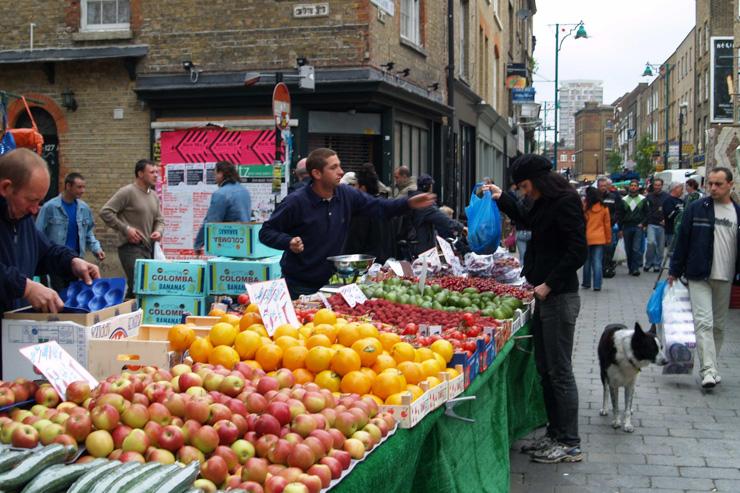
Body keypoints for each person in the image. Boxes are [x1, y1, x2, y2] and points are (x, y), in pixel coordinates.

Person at [483, 154, 586, 464]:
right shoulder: (543, 201)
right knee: (545, 369)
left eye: (525, 186)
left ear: (538, 180)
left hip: (559, 297)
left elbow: (577, 250)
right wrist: (504, 199)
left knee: (559, 372)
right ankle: (554, 433)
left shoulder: (565, 201)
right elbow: (527, 220)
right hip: (542, 296)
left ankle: (569, 442)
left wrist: (549, 284)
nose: (524, 192)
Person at [259, 148, 436, 299]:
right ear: (317, 173)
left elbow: (378, 206)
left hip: (333, 284)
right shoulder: (295, 202)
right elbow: (266, 232)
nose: (341, 172)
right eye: (334, 167)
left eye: (340, 165)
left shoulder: (345, 194)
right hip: (299, 286)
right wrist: (288, 242)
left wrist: (408, 203)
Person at [0, 149, 100, 326]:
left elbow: (46, 251)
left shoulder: (22, 219)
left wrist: (72, 262)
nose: (35, 209)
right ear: (6, 188)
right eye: (31, 200)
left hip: (14, 331)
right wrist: (26, 287)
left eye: (39, 201)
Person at [669, 167, 739, 389]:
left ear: (730, 184)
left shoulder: (737, 212)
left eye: (718, 184)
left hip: (725, 276)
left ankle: (712, 366)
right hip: (699, 274)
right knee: (704, 322)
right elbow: (683, 240)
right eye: (710, 183)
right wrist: (674, 270)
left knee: (718, 326)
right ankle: (707, 370)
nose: (713, 188)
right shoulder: (697, 208)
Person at [100, 159, 165, 298]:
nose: (156, 175)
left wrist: (158, 231)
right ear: (140, 173)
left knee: (139, 286)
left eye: (156, 172)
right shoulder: (127, 192)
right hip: (130, 247)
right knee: (140, 283)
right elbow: (105, 212)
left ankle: (128, 311)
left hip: (149, 248)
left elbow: (160, 220)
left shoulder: (153, 195)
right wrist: (126, 229)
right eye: (152, 172)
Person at [36, 172, 105, 292]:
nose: (83, 190)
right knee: (57, 296)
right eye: (79, 187)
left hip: (76, 262)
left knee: (72, 296)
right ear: (68, 186)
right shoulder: (50, 207)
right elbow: (37, 232)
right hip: (55, 262)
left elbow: (88, 232)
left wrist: (96, 249)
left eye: (84, 187)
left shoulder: (84, 208)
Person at [396, 174, 465, 259]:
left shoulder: (413, 199)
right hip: (421, 246)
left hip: (412, 243)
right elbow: (444, 220)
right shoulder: (425, 205)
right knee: (425, 269)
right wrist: (461, 228)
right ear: (429, 187)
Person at [194, 161, 251, 253]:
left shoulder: (220, 194)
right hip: (246, 242)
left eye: (215, 174)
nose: (215, 178)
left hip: (228, 243)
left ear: (221, 174)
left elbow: (211, 222)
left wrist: (198, 244)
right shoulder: (244, 191)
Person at [343, 163, 396, 263]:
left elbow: (354, 245)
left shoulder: (361, 212)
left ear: (363, 188)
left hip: (365, 266)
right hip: (386, 264)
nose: (354, 189)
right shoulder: (384, 206)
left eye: (356, 186)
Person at [582, 187, 612, 291]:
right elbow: (607, 225)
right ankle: (597, 285)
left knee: (586, 261)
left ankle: (586, 283)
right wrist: (608, 239)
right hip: (600, 238)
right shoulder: (604, 208)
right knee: (597, 261)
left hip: (587, 237)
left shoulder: (585, 208)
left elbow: (581, 223)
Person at [620, 179, 649, 276]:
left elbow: (647, 213)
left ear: (638, 187)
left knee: (636, 248)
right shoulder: (624, 200)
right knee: (628, 249)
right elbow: (620, 214)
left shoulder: (643, 199)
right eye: (631, 185)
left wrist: (643, 224)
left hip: (638, 226)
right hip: (627, 227)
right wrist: (620, 228)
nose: (633, 187)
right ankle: (630, 267)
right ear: (629, 187)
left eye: (635, 185)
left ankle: (635, 268)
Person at [597, 177, 622, 278]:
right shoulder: (595, 197)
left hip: (609, 226)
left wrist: (613, 220)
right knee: (599, 249)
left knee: (609, 247)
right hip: (598, 227)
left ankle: (606, 266)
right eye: (601, 186)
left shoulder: (613, 196)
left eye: (605, 186)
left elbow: (617, 210)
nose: (603, 187)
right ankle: (601, 268)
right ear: (598, 186)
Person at [643, 178, 669, 272]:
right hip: (651, 223)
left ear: (662, 186)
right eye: (656, 185)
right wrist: (644, 223)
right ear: (653, 186)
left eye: (659, 185)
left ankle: (657, 264)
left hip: (662, 225)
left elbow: (669, 210)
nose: (657, 187)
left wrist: (666, 220)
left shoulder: (666, 196)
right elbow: (645, 210)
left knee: (660, 247)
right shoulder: (649, 196)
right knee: (651, 243)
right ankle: (648, 263)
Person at [662, 182, 684, 252]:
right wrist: (680, 213)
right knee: (672, 253)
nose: (682, 191)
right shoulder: (668, 200)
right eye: (681, 189)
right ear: (675, 189)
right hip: (671, 231)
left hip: (680, 231)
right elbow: (669, 215)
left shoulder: (681, 201)